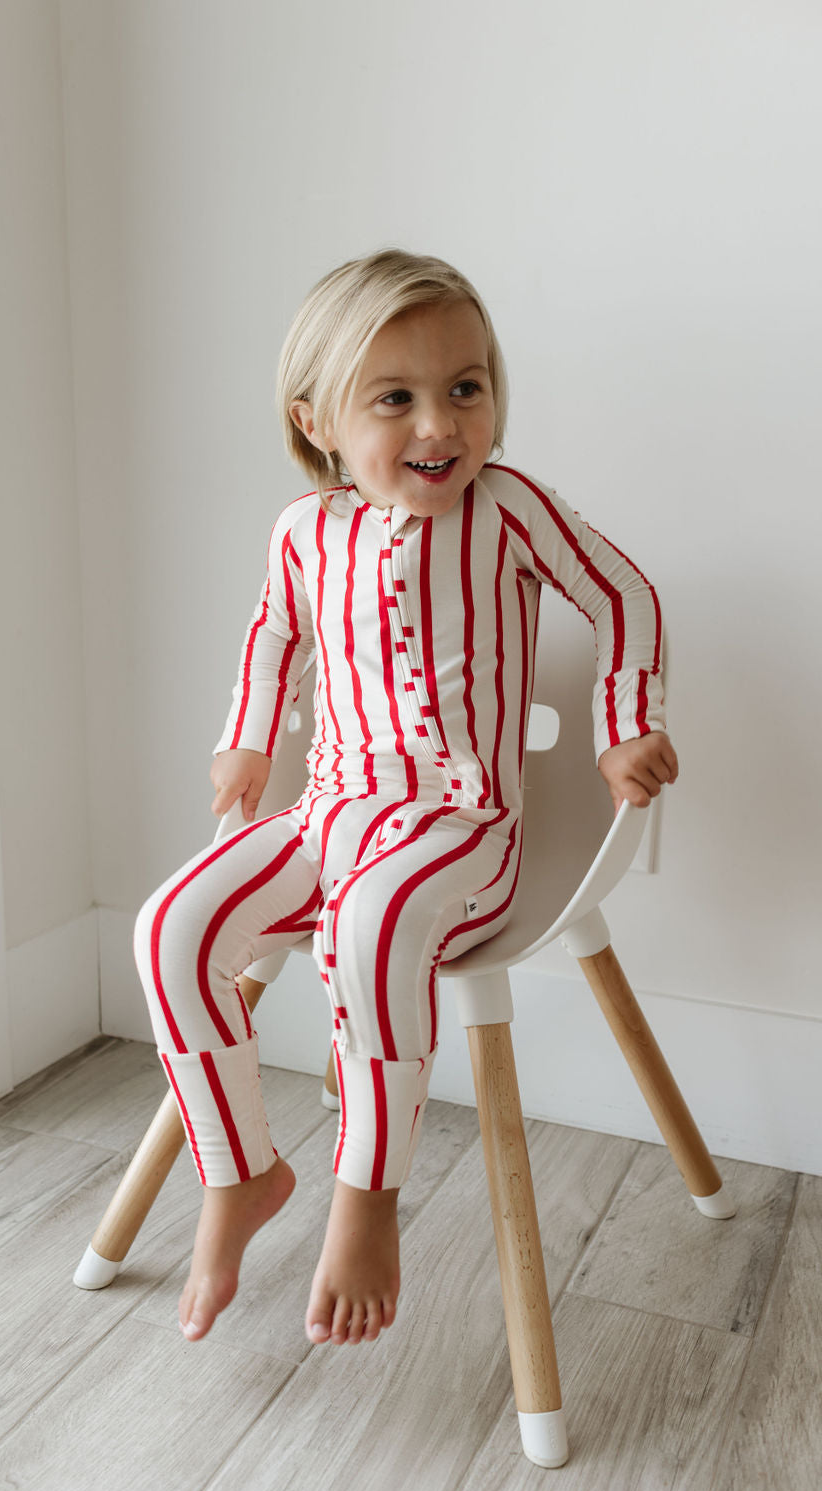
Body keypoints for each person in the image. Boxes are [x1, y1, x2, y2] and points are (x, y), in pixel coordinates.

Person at [134, 248, 678, 1349]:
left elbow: (622, 590)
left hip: (461, 832)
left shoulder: (510, 510)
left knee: (376, 915)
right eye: (396, 398)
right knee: (170, 924)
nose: (440, 425)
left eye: (465, 388)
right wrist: (246, 744)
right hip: (329, 809)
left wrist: (624, 725)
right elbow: (269, 637)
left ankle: (366, 1191)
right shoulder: (302, 530)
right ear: (320, 418)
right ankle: (239, 1169)